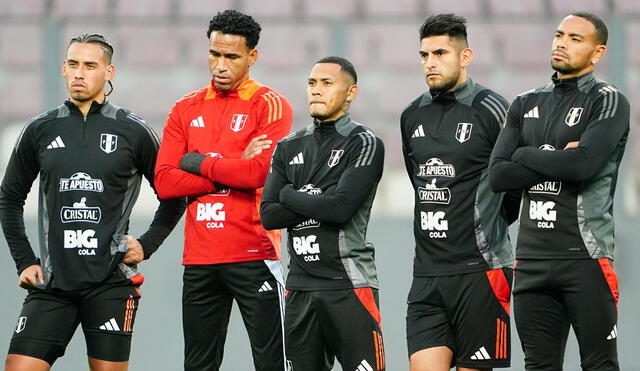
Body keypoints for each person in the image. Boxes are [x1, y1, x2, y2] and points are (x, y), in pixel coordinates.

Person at [0, 34, 186, 371]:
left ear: (109, 72)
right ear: (63, 68)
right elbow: (9, 198)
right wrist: (24, 261)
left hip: (110, 284)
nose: (79, 73)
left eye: (89, 65)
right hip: (53, 284)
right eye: (73, 64)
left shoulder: (133, 131)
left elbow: (174, 198)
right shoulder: (39, 129)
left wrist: (146, 245)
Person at [154, 10, 292, 371]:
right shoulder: (184, 108)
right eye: (214, 54)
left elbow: (258, 173)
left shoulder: (270, 104)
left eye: (231, 56)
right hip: (199, 258)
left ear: (252, 57)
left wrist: (196, 161)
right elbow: (165, 181)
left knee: (273, 363)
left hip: (254, 252)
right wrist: (230, 167)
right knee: (198, 365)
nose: (220, 65)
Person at [489, 13, 629, 371]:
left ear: (598, 53)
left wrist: (523, 154)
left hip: (585, 257)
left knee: (600, 365)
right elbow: (498, 176)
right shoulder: (524, 102)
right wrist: (552, 157)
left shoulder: (608, 102)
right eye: (559, 34)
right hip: (532, 260)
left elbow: (582, 166)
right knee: (539, 366)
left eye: (575, 38)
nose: (561, 43)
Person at [401, 14, 518, 371]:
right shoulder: (411, 115)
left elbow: (511, 185)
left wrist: (485, 224)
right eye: (424, 55)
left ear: (465, 57)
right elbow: (419, 182)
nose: (430, 63)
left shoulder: (492, 109)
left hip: (480, 270)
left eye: (440, 53)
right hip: (427, 274)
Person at [260, 56, 386, 371]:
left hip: (349, 284)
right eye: (312, 83)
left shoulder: (364, 143)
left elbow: (340, 208)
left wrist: (290, 194)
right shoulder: (288, 146)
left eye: (327, 83)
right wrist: (316, 198)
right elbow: (269, 215)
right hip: (300, 288)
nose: (316, 90)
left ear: (351, 92)